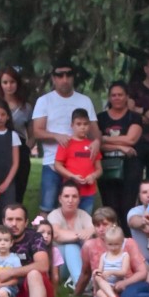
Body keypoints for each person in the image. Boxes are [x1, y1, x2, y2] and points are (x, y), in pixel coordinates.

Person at [31, 60, 98, 214]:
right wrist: (56, 136)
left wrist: (97, 142)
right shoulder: (44, 101)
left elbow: (95, 133)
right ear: (53, 78)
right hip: (52, 163)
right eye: (60, 75)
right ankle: (42, 230)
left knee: (81, 209)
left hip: (80, 164)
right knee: (47, 208)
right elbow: (37, 132)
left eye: (69, 75)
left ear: (74, 77)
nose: (65, 79)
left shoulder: (84, 101)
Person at [97, 81, 143, 232]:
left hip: (130, 166)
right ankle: (112, 238)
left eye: (120, 95)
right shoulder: (100, 118)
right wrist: (120, 146)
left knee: (127, 206)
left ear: (127, 97)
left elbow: (131, 140)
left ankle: (129, 239)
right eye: (113, 95)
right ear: (109, 97)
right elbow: (97, 144)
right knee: (110, 207)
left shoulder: (134, 117)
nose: (117, 98)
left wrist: (105, 138)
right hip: (107, 166)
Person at [0, 67, 33, 203]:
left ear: (17, 83)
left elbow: (32, 134)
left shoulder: (26, 107)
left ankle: (16, 214)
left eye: (12, 82)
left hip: (19, 149)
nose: (9, 86)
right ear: (0, 84)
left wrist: (27, 148)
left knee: (18, 191)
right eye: (5, 82)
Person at [53, 108, 102, 214]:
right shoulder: (66, 143)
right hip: (70, 192)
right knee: (68, 217)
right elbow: (57, 165)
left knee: (85, 217)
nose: (82, 127)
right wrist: (72, 176)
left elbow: (99, 169)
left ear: (89, 125)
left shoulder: (93, 145)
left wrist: (93, 176)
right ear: (72, 125)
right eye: (78, 124)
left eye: (85, 124)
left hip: (88, 192)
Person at [48, 183, 94, 290]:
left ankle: (83, 280)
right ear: (60, 199)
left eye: (74, 196)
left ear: (79, 199)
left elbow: (93, 231)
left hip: (80, 260)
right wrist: (81, 234)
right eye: (66, 196)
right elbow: (57, 234)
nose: (70, 200)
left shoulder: (83, 215)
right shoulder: (54, 215)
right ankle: (81, 284)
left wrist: (90, 232)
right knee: (71, 246)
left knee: (88, 245)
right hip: (58, 266)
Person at [91, 224, 130, 297]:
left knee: (100, 292)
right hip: (105, 284)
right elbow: (100, 271)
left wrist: (111, 272)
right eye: (110, 244)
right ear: (106, 243)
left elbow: (124, 272)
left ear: (122, 242)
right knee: (98, 287)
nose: (113, 247)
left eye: (116, 244)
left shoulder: (124, 255)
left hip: (116, 285)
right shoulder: (104, 256)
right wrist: (97, 272)